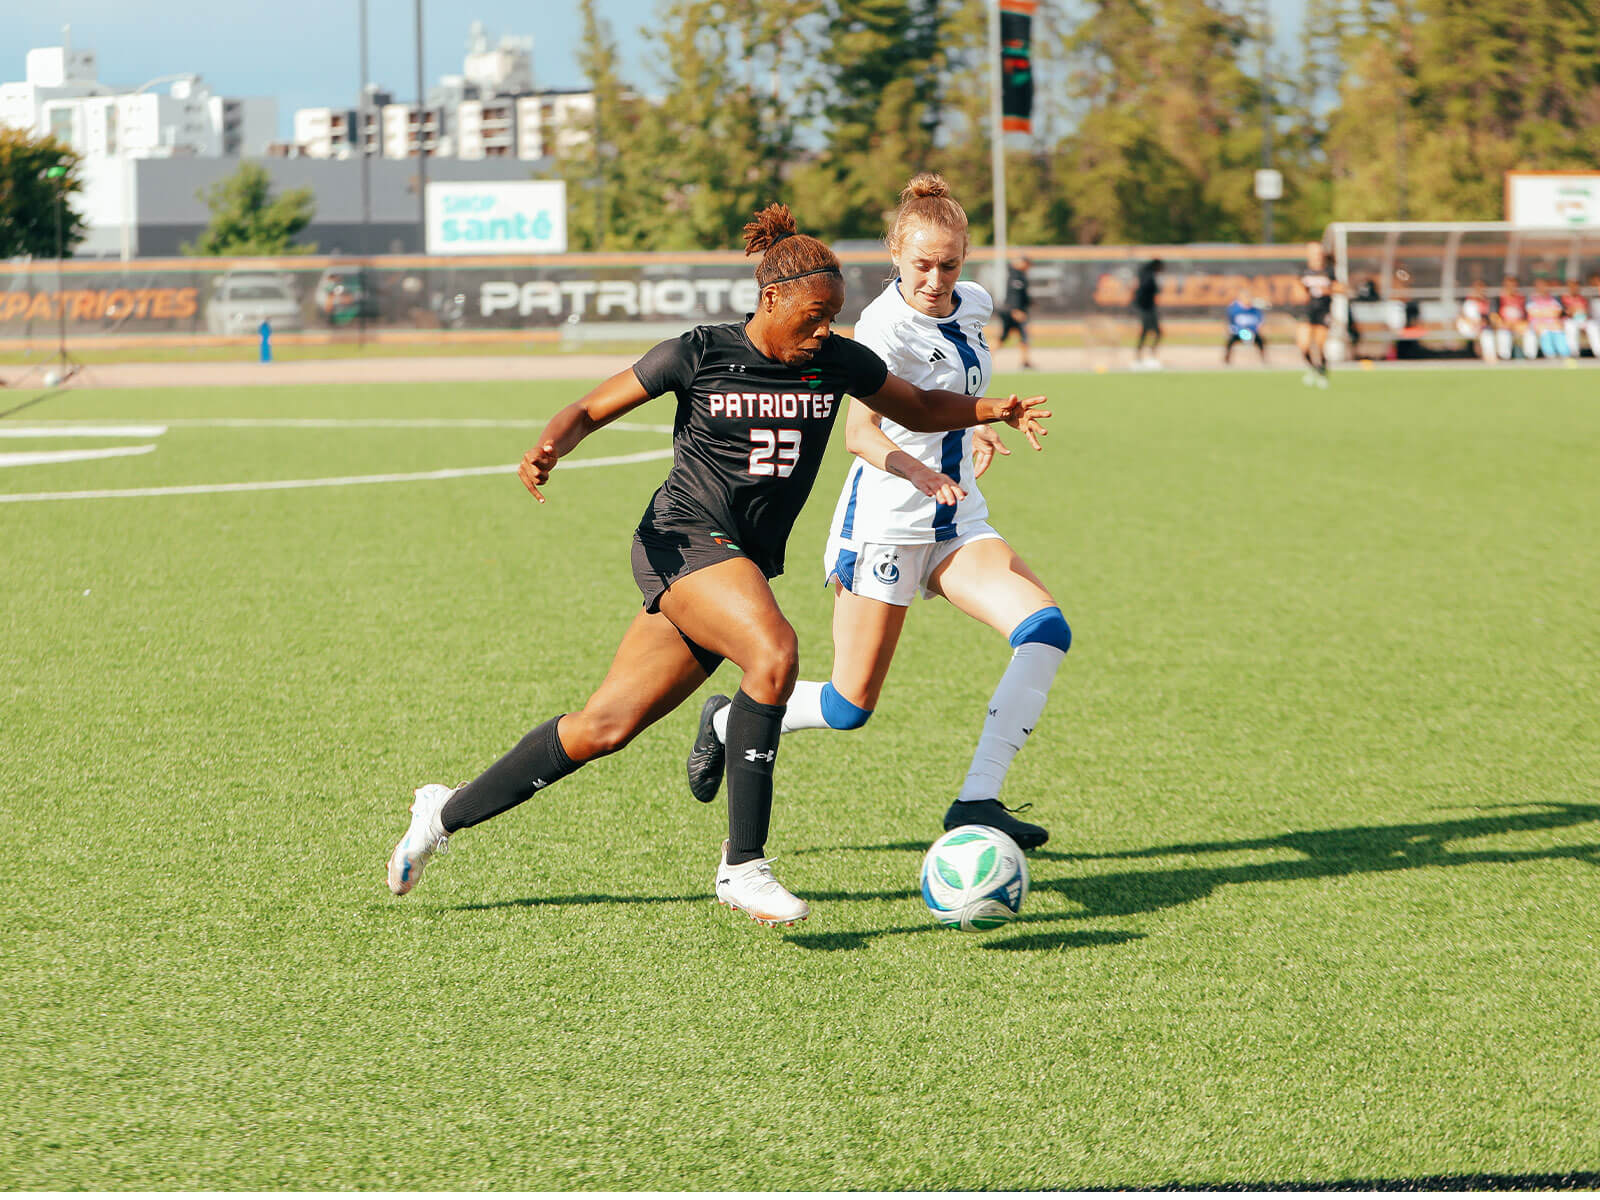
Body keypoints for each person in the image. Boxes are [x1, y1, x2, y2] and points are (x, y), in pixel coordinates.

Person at [384, 202, 1050, 927]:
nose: (824, 329)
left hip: (735, 565)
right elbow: (588, 408)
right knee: (775, 652)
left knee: (602, 727)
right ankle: (743, 866)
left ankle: (441, 813)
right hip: (682, 537)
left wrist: (989, 411)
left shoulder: (835, 360)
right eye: (813, 315)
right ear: (772, 299)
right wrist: (549, 448)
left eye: (834, 315)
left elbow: (916, 405)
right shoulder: (697, 352)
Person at [682, 173, 1067, 852]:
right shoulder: (882, 327)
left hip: (957, 521)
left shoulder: (973, 304)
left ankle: (977, 799)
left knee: (1045, 629)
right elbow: (861, 434)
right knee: (848, 706)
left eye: (949, 264)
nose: (936, 278)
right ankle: (722, 721)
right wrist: (920, 468)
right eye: (922, 264)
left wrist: (975, 428)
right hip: (887, 522)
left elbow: (957, 387)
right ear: (895, 255)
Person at [1296, 242, 1336, 387]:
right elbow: (1297, 291)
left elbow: (1340, 288)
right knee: (1304, 345)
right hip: (1307, 311)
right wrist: (1301, 293)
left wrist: (1325, 290)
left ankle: (1322, 372)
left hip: (1323, 311)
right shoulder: (1303, 270)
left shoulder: (1330, 271)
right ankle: (1314, 368)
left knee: (1319, 345)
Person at [997, 255, 1033, 369]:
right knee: (1017, 336)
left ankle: (1025, 361)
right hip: (1014, 312)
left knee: (1021, 336)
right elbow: (1014, 295)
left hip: (1015, 311)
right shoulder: (1016, 276)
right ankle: (1024, 361)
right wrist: (1016, 310)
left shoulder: (1019, 275)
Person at [1526, 278, 1570, 359]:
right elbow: (1533, 313)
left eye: (1544, 285)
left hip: (1553, 323)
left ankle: (1565, 354)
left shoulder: (1554, 298)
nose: (1542, 288)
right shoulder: (1531, 299)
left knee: (1558, 329)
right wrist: (1547, 313)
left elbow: (1556, 313)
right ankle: (1550, 355)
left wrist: (1542, 312)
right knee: (1544, 330)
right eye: (1540, 286)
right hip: (1538, 324)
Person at [1456, 280, 1498, 363]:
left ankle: (1490, 357)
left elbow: (1490, 318)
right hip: (1467, 326)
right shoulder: (1468, 301)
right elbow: (1462, 317)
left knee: (1487, 333)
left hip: (1481, 327)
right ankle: (1487, 355)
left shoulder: (1488, 301)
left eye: (1482, 289)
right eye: (1478, 289)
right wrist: (1474, 323)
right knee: (1485, 332)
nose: (1480, 291)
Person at [1133, 257, 1163, 368]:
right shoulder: (1148, 276)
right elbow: (1146, 290)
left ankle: (1143, 355)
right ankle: (1146, 356)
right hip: (1146, 308)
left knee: (1148, 332)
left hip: (1147, 308)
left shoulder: (1146, 274)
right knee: (1153, 332)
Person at [1495, 276, 1533, 360]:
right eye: (1508, 285)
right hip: (1504, 325)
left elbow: (1527, 316)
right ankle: (1504, 358)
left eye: (1513, 285)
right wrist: (1502, 323)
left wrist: (1521, 324)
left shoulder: (1522, 298)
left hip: (1519, 325)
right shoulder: (1498, 298)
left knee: (1529, 332)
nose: (1511, 287)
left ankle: (1530, 358)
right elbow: (1494, 316)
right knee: (1503, 333)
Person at [1223, 291, 1267, 364]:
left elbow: (1260, 322)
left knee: (1260, 340)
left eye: (1249, 298)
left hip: (1252, 332)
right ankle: (1227, 357)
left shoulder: (1255, 310)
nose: (1248, 300)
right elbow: (1230, 323)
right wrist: (1238, 330)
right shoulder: (1234, 309)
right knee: (1230, 340)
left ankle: (1263, 358)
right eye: (1246, 298)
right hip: (1238, 333)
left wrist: (1255, 329)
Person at [1561, 277, 1600, 358]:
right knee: (1570, 327)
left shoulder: (1583, 298)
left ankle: (1598, 352)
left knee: (1593, 327)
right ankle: (1574, 353)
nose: (1574, 288)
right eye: (1571, 286)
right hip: (1571, 320)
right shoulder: (1565, 298)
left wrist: (1580, 311)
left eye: (1575, 286)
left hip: (1583, 320)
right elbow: (1567, 313)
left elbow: (1586, 311)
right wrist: (1575, 310)